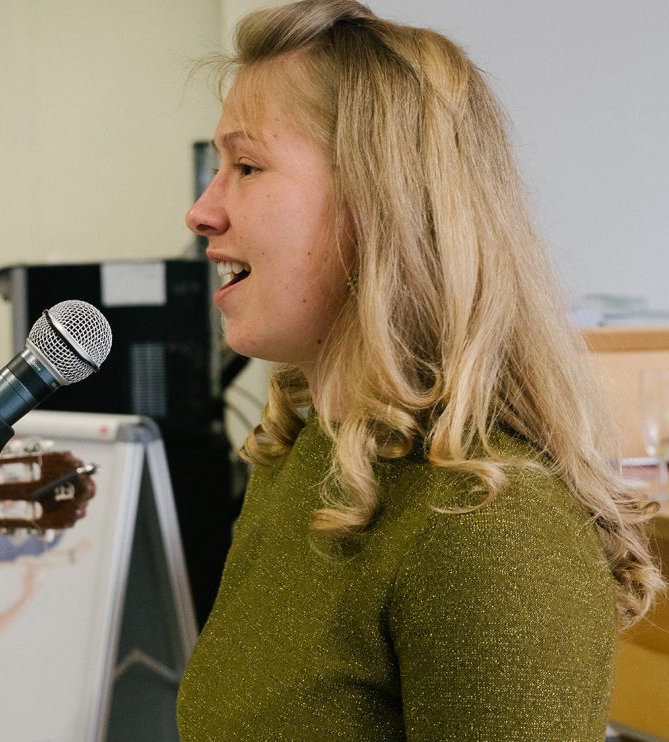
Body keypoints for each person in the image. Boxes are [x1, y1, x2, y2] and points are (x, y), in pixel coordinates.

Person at [176, 1, 665, 739]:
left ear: (382, 201)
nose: (202, 212)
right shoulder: (306, 459)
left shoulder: (488, 528)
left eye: (246, 166)